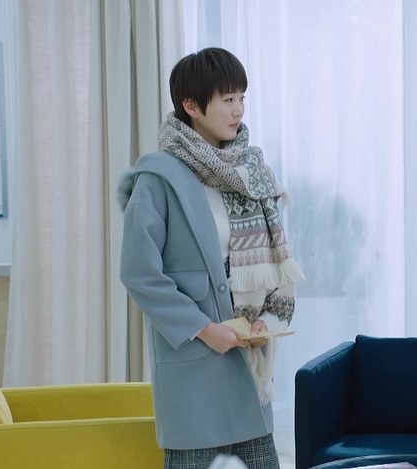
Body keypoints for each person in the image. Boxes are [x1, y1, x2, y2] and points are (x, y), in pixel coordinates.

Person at [118, 47, 303, 469]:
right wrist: (203, 329)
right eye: (227, 99)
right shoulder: (158, 178)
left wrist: (266, 319)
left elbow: (278, 260)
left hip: (247, 366)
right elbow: (139, 271)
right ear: (191, 105)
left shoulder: (251, 171)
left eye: (242, 98)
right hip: (195, 371)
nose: (238, 110)